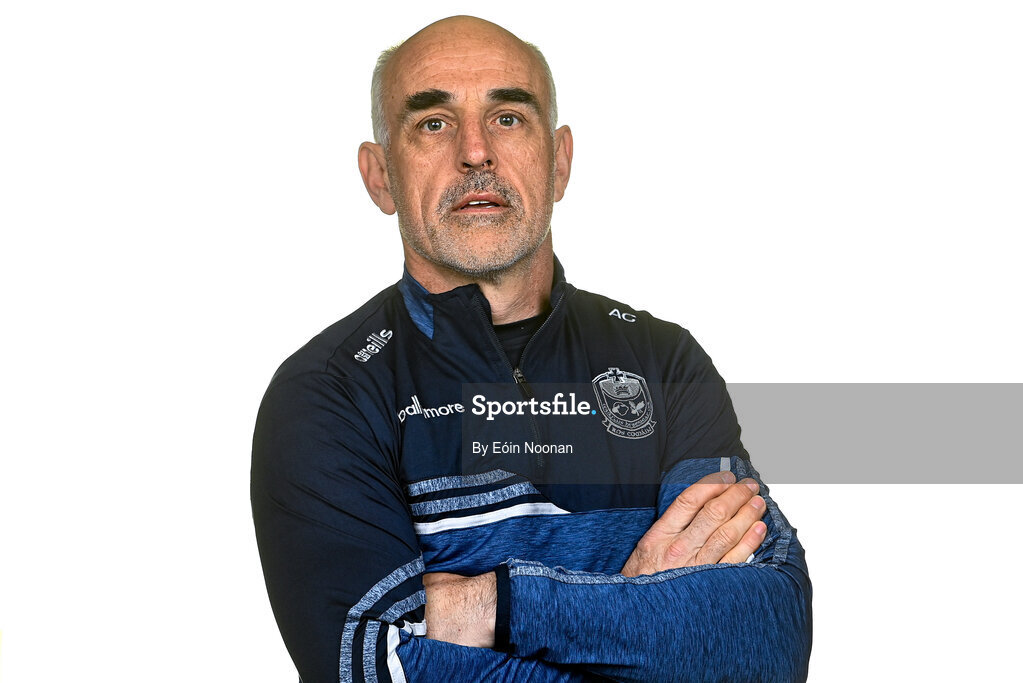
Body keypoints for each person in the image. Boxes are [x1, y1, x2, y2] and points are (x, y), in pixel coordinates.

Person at [251, 15, 811, 683]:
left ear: (560, 161)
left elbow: (765, 642)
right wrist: (639, 612)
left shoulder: (664, 363)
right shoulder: (325, 396)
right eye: (432, 123)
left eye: (508, 117)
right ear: (380, 177)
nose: (475, 151)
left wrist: (488, 606)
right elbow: (378, 669)